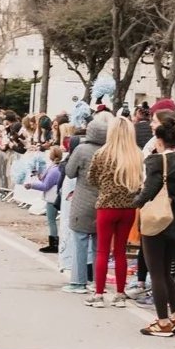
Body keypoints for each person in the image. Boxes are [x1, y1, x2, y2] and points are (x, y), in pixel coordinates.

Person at [133, 118, 175, 336]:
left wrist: (134, 201)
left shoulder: (155, 162)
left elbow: (148, 192)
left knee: (156, 272)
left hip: (157, 219)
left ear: (159, 140)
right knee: (168, 271)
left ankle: (161, 322)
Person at [86, 117, 143, 307]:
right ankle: (120, 294)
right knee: (120, 251)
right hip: (128, 207)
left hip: (106, 206)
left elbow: (91, 178)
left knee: (102, 250)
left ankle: (99, 294)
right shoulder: (136, 154)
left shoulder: (102, 154)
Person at [61, 115, 109, 293]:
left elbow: (70, 172)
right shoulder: (109, 151)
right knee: (100, 246)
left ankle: (79, 281)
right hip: (103, 201)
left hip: (82, 201)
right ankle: (98, 283)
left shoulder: (82, 150)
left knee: (80, 241)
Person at [26, 146, 64, 253]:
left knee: (51, 220)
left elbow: (45, 186)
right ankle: (55, 242)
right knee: (52, 220)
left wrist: (31, 185)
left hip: (52, 199)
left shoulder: (54, 170)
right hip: (54, 197)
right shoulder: (55, 168)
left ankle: (54, 243)